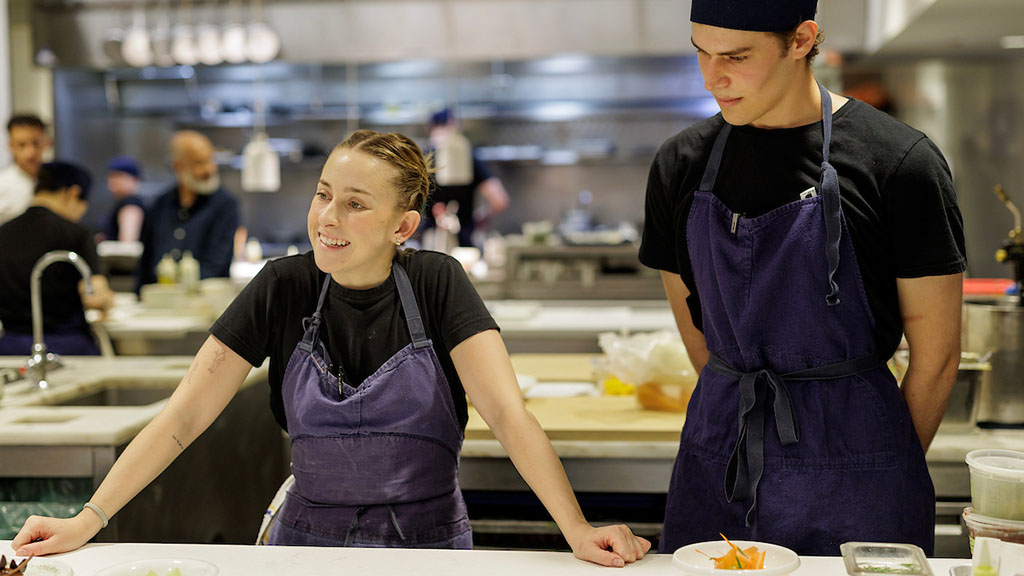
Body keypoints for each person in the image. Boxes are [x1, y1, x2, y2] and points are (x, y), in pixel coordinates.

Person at [12, 130, 651, 565]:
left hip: (428, 549)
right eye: (322, 195)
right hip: (303, 547)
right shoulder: (281, 286)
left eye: (354, 205)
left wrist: (576, 529)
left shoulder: (437, 283)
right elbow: (183, 418)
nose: (327, 218)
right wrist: (86, 521)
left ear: (403, 226)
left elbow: (510, 417)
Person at [639, 0, 966, 557]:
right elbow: (699, 334)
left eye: (736, 57)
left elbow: (936, 356)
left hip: (859, 473)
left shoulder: (901, 163)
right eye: (702, 53)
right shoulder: (680, 165)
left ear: (800, 40)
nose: (713, 77)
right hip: (719, 459)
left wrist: (876, 461)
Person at [0, 161, 115, 356]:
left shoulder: (3, 233)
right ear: (73, 194)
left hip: (9, 348)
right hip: (67, 347)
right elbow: (94, 297)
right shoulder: (76, 234)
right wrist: (108, 300)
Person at [136, 130, 240, 288]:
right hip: (157, 302)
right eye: (199, 162)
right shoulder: (160, 205)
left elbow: (216, 264)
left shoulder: (225, 205)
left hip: (203, 302)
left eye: (211, 160)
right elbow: (145, 261)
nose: (209, 170)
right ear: (177, 166)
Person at [422, 108, 509, 248]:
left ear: (430, 128)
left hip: (431, 241)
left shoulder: (424, 158)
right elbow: (500, 201)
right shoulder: (469, 157)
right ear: (456, 127)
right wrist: (480, 217)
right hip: (464, 241)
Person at [0, 114, 51, 226]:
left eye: (36, 143)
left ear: (46, 142)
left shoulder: (57, 181)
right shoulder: (2, 186)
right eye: (21, 145)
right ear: (10, 146)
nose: (30, 153)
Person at [101, 155, 146, 243]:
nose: (113, 181)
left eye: (119, 176)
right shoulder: (122, 203)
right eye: (112, 176)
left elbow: (127, 244)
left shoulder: (131, 206)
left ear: (134, 179)